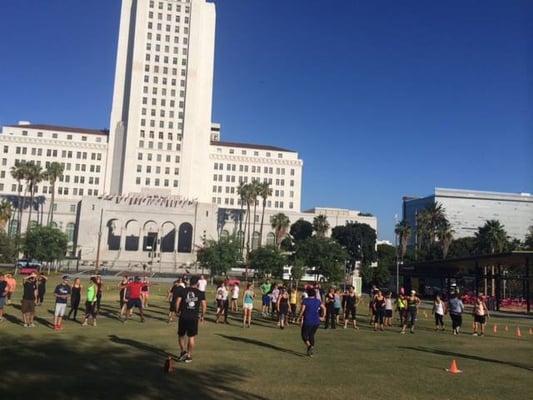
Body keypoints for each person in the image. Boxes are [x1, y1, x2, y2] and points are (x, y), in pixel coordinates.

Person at [176, 276, 206, 363]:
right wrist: (202, 315)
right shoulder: (201, 293)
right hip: (193, 317)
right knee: (191, 337)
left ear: (189, 282)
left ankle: (182, 352)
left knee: (181, 335)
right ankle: (188, 355)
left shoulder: (183, 291)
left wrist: (177, 311)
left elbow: (177, 302)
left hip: (183, 316)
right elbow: (204, 305)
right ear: (197, 283)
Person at [298, 287, 326, 357]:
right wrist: (323, 316)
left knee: (304, 335)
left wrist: (299, 317)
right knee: (311, 335)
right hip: (316, 321)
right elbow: (324, 308)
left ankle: (309, 346)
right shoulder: (318, 301)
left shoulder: (306, 300)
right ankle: (310, 352)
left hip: (308, 320)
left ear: (308, 293)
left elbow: (302, 310)